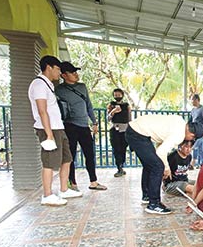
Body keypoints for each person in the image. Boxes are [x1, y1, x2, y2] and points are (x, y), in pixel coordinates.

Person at [28, 55, 82, 206]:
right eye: (58, 69)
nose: (59, 73)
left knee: (67, 158)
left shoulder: (48, 84)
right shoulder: (38, 85)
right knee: (49, 162)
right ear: (49, 67)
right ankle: (47, 195)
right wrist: (49, 135)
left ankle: (64, 189)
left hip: (58, 127)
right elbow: (42, 110)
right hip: (49, 129)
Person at [125, 114, 203, 215]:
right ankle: (154, 204)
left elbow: (161, 142)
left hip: (135, 130)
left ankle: (147, 196)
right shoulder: (179, 135)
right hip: (138, 134)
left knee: (150, 164)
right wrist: (166, 169)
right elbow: (161, 152)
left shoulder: (180, 121)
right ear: (192, 135)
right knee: (158, 166)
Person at [55, 62, 106, 191]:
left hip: (83, 125)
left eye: (76, 72)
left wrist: (94, 122)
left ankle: (93, 182)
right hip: (69, 125)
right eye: (72, 72)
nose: (76, 74)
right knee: (70, 156)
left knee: (90, 154)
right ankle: (72, 183)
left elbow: (88, 105)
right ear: (64, 75)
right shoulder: (58, 89)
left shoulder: (82, 87)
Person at [107, 88, 132, 177]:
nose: (117, 96)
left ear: (122, 95)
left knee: (123, 148)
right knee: (116, 148)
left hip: (124, 129)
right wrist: (113, 112)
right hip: (115, 129)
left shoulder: (126, 105)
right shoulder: (111, 105)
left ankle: (122, 165)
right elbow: (108, 118)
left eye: (119, 95)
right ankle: (119, 167)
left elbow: (129, 118)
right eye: (115, 95)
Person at [190, 94, 203, 169]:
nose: (192, 101)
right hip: (194, 130)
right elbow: (191, 120)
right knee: (200, 148)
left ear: (197, 100)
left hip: (201, 131)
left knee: (195, 145)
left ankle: (193, 162)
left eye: (193, 100)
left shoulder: (202, 109)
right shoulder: (193, 110)